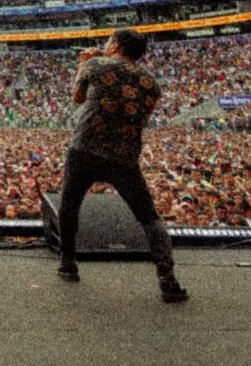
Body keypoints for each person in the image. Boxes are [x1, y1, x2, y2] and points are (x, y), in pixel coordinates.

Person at [55, 28, 188, 304]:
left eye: (108, 41)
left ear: (115, 45)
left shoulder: (96, 64)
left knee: (70, 205)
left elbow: (78, 98)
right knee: (148, 217)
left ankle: (68, 264)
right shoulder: (151, 83)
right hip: (124, 154)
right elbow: (141, 117)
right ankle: (168, 279)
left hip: (86, 148)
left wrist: (84, 63)